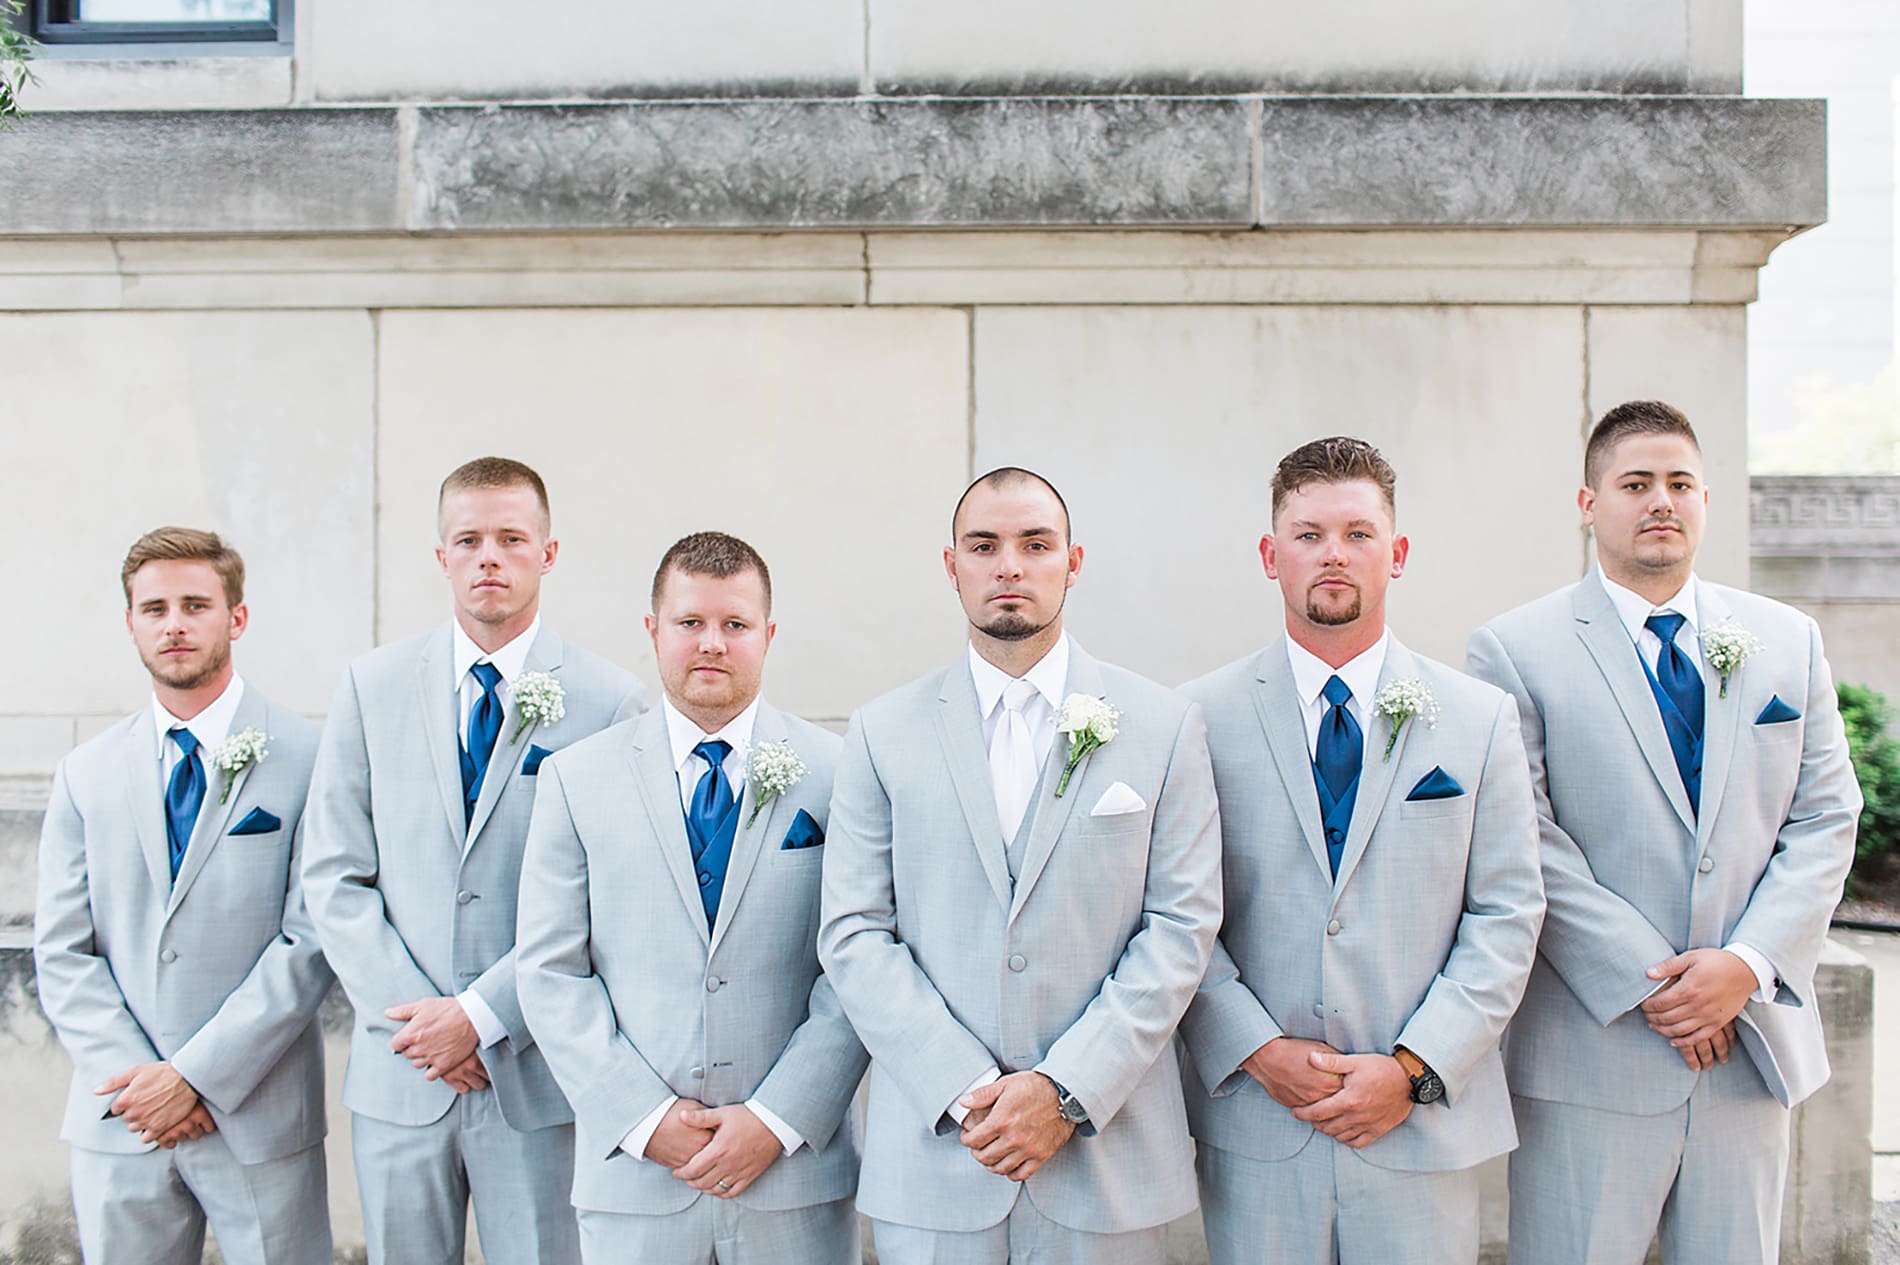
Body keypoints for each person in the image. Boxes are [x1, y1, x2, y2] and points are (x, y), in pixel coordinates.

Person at [1465, 400, 1862, 1264]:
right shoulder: (1513, 649)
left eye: (1680, 483)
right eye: (1635, 482)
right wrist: (1661, 987)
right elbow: (1524, 839)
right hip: (1591, 1054)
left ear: (1706, 499)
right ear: (1588, 502)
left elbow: (1828, 813)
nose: (1660, 501)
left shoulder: (1786, 640)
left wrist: (1744, 965)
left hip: (1748, 1049)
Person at [819, 466, 1223, 1265]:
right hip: (939, 1160)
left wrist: (1064, 1088)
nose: (1009, 565)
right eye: (985, 545)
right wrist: (968, 1089)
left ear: (1073, 562)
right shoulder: (881, 731)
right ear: (952, 565)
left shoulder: (1164, 725)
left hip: (1109, 1165)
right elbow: (855, 932)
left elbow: (1181, 927)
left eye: (1035, 544)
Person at [1175, 438, 1545, 1265]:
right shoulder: (1195, 718)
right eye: (1308, 534)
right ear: (1271, 556)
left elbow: (1508, 913)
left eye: (1358, 532)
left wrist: (1414, 1067)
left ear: (1398, 553)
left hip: (1422, 1124)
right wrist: (1257, 1050)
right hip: (1260, 1121)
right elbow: (1176, 913)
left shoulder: (1479, 718)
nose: (1332, 553)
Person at [302, 457, 645, 1265]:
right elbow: (333, 873)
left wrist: (482, 1015)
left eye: (511, 538)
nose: (489, 555)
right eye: (469, 538)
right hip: (403, 1072)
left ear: (548, 553)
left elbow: (613, 899)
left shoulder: (608, 699)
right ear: (441, 555)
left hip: (536, 1071)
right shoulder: (370, 685)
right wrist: (421, 1019)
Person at [517, 531, 867, 1265]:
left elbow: (857, 962)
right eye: (690, 623)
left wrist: (777, 1117)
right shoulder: (576, 780)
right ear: (654, 630)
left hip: (793, 1174)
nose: (712, 642)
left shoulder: (838, 773)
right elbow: (550, 970)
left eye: (734, 624)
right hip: (634, 1176)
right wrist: (645, 1119)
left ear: (767, 635)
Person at [35, 527, 334, 1264]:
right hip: (122, 1115)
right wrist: (144, 1082)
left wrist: (197, 1075)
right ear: (130, 622)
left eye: (195, 604)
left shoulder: (309, 755)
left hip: (260, 1113)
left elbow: (311, 935)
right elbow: (62, 950)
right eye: (155, 607)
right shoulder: (85, 773)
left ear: (236, 616)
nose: (174, 623)